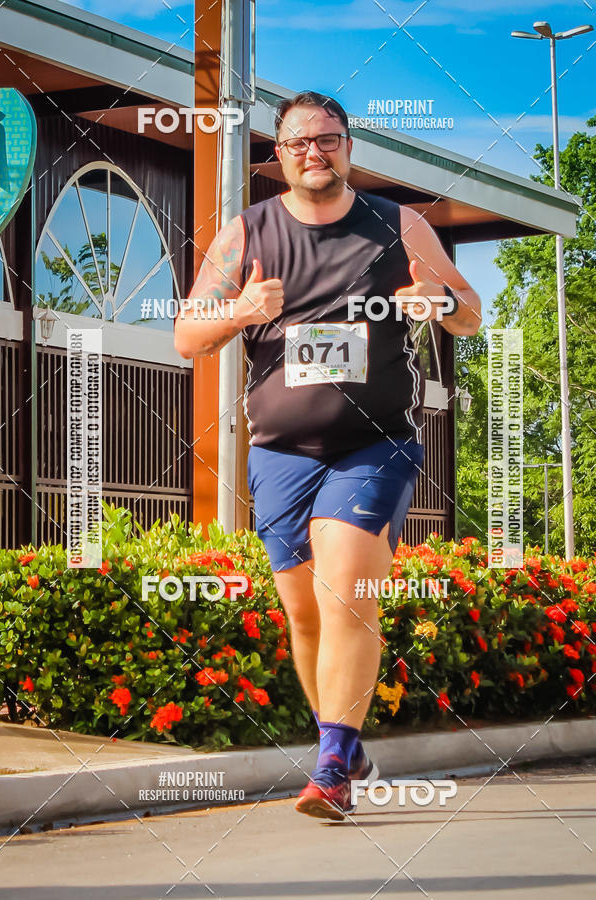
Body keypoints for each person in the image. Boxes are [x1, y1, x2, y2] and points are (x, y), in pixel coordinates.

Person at [175, 90, 481, 820]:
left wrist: (438, 302)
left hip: (374, 443)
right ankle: (345, 743)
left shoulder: (397, 224)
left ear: (350, 147)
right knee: (305, 617)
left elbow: (470, 314)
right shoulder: (247, 233)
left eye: (329, 138)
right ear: (277, 154)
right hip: (279, 451)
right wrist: (242, 311)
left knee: (349, 591)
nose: (316, 151)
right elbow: (188, 336)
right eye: (299, 142)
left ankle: (331, 770)